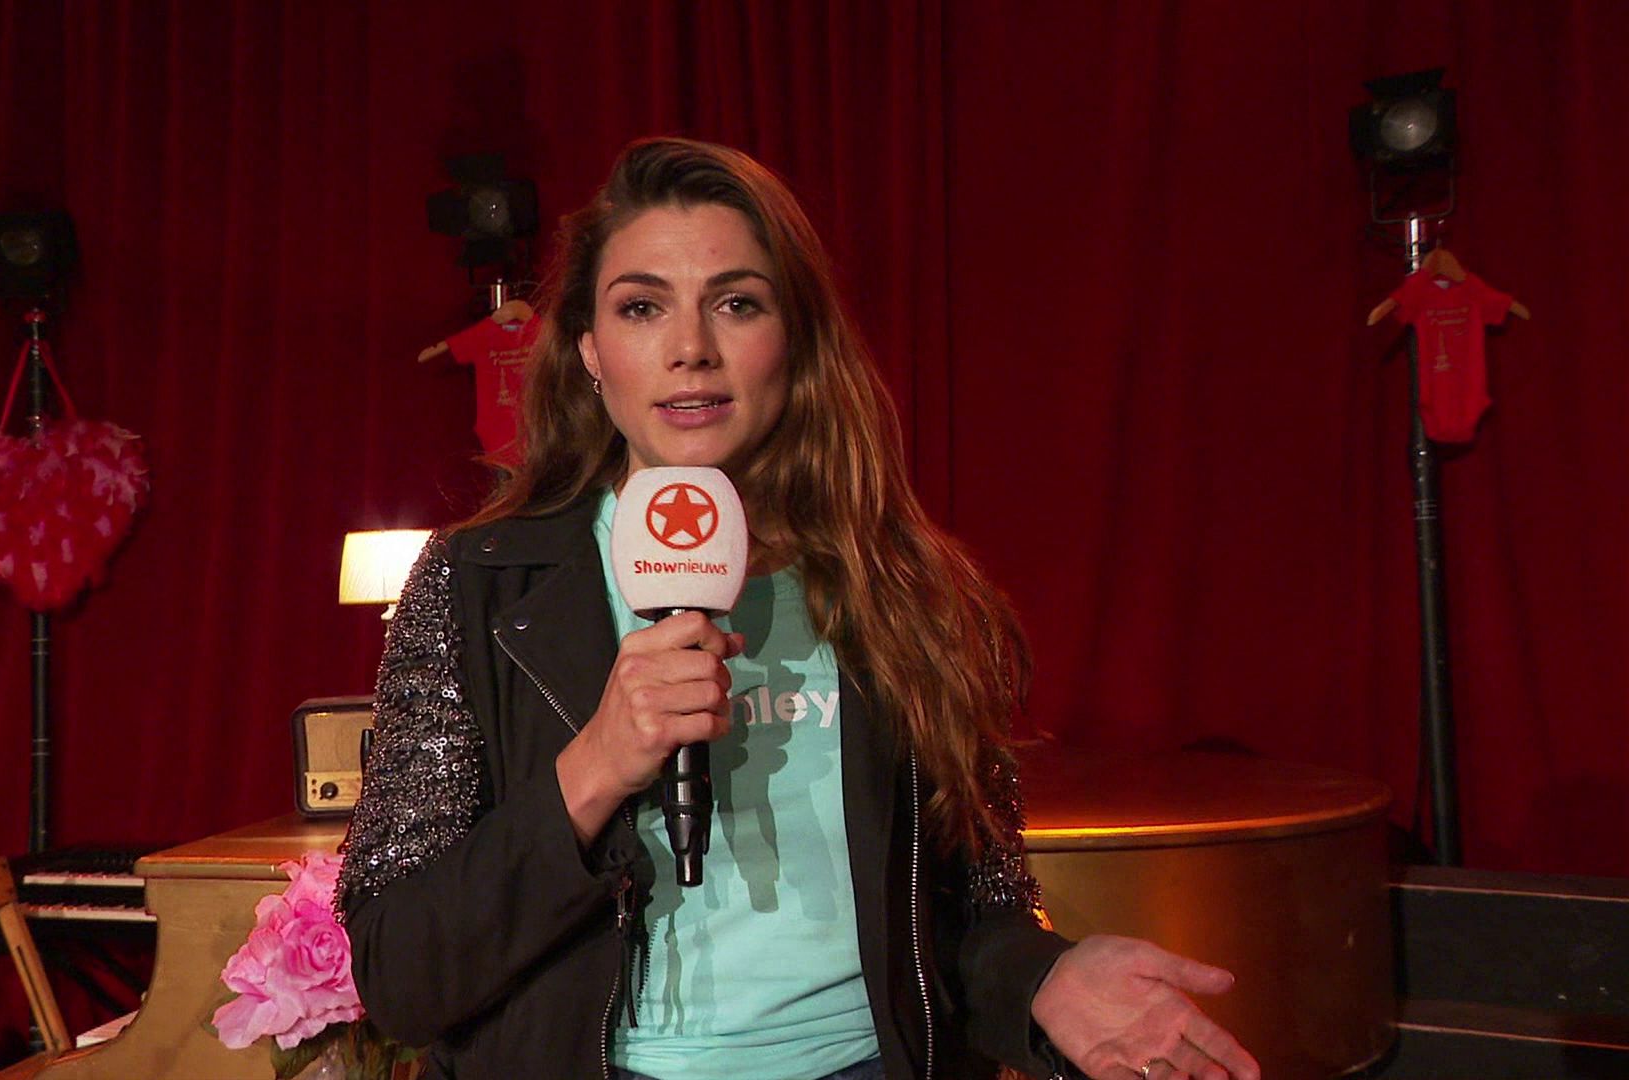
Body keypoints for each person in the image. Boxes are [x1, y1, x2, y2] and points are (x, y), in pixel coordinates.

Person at [335, 137, 1260, 1080]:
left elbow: (967, 916)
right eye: (643, 307)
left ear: (795, 339)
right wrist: (594, 769)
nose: (691, 349)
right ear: (589, 351)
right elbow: (402, 975)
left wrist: (1043, 980)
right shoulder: (482, 584)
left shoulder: (904, 587)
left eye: (737, 303)